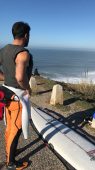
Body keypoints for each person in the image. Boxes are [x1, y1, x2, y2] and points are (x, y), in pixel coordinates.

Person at [0, 21, 33, 170]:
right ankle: (11, 163)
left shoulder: (4, 49)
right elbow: (20, 77)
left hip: (5, 91)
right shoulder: (23, 53)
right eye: (29, 35)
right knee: (16, 128)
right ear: (26, 35)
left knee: (9, 126)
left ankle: (9, 152)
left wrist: (5, 77)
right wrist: (28, 88)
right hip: (17, 95)